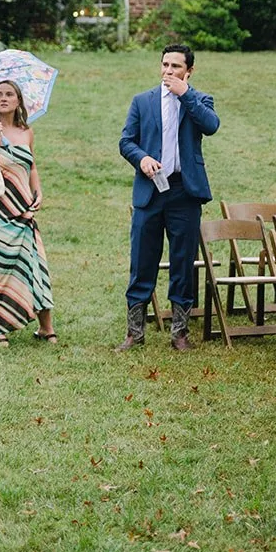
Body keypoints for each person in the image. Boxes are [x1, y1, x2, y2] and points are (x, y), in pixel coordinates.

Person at [117, 44, 220, 352]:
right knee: (142, 260)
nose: (169, 71)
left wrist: (184, 94)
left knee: (182, 261)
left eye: (176, 66)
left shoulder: (199, 99)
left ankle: (180, 332)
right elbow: (126, 141)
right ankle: (135, 332)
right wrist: (142, 159)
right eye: (165, 65)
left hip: (184, 192)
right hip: (150, 190)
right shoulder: (143, 101)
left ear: (189, 71)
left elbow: (211, 126)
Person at [0, 81, 56, 346]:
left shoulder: (26, 132)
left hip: (23, 210)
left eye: (9, 94)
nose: (4, 98)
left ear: (18, 101)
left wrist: (38, 190)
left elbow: (31, 166)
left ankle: (46, 328)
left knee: (35, 265)